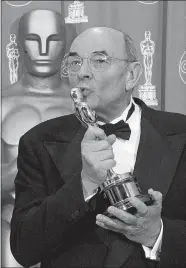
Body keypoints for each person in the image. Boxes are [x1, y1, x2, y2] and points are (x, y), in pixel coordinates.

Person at [10, 27, 186, 268]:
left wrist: (157, 234)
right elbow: (23, 249)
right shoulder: (38, 141)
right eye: (74, 62)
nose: (82, 73)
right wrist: (84, 184)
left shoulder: (182, 134)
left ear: (132, 75)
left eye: (99, 61)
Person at [2, 9, 74, 267]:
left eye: (53, 39)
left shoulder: (85, 106)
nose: (43, 49)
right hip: (11, 227)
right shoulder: (2, 105)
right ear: (19, 43)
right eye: (33, 39)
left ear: (66, 45)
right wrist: (18, 170)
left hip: (74, 228)